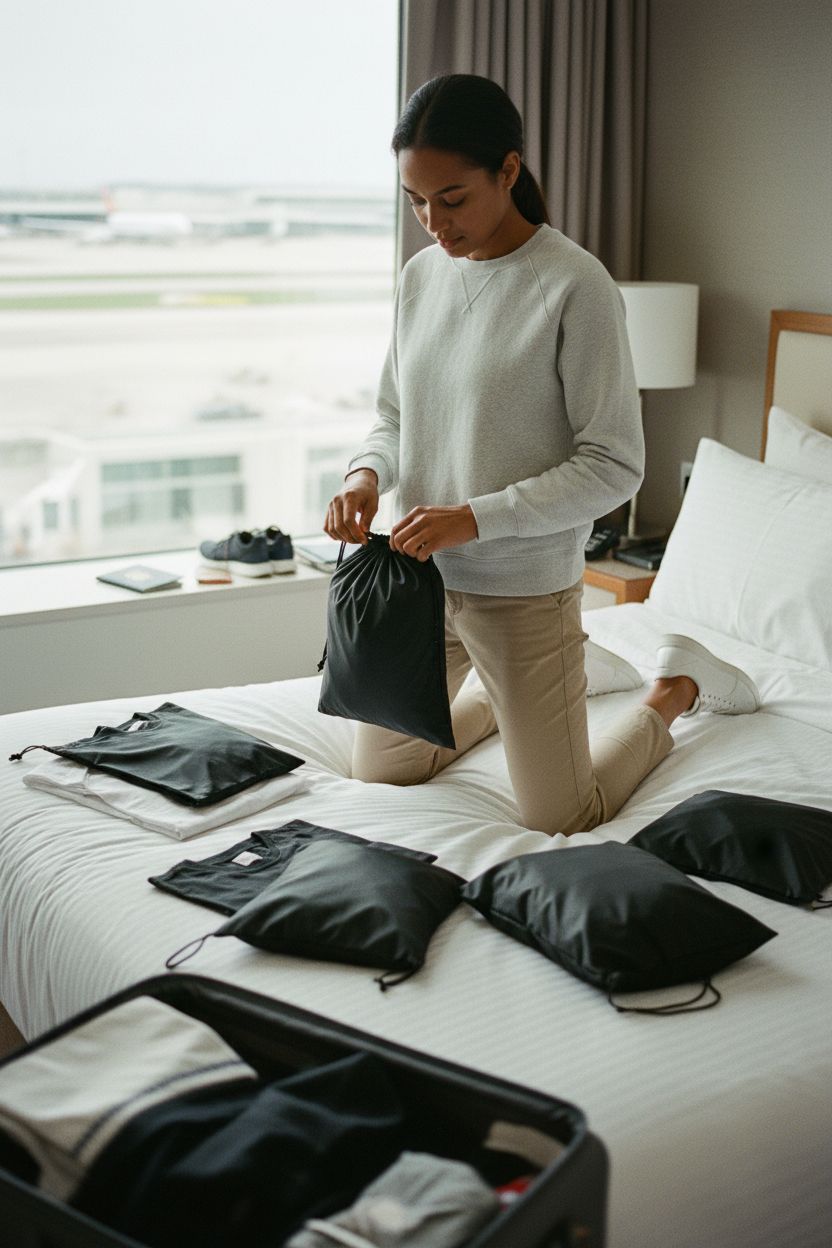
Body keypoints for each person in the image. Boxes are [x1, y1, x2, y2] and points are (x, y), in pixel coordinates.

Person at [324, 73, 759, 838]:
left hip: (522, 593)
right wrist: (367, 474)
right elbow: (394, 416)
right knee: (382, 767)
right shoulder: (421, 277)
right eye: (415, 200)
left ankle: (674, 687)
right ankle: (516, 699)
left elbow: (615, 464)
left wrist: (476, 519)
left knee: (564, 814)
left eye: (451, 198)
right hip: (418, 585)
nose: (432, 222)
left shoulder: (573, 286)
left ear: (509, 170)